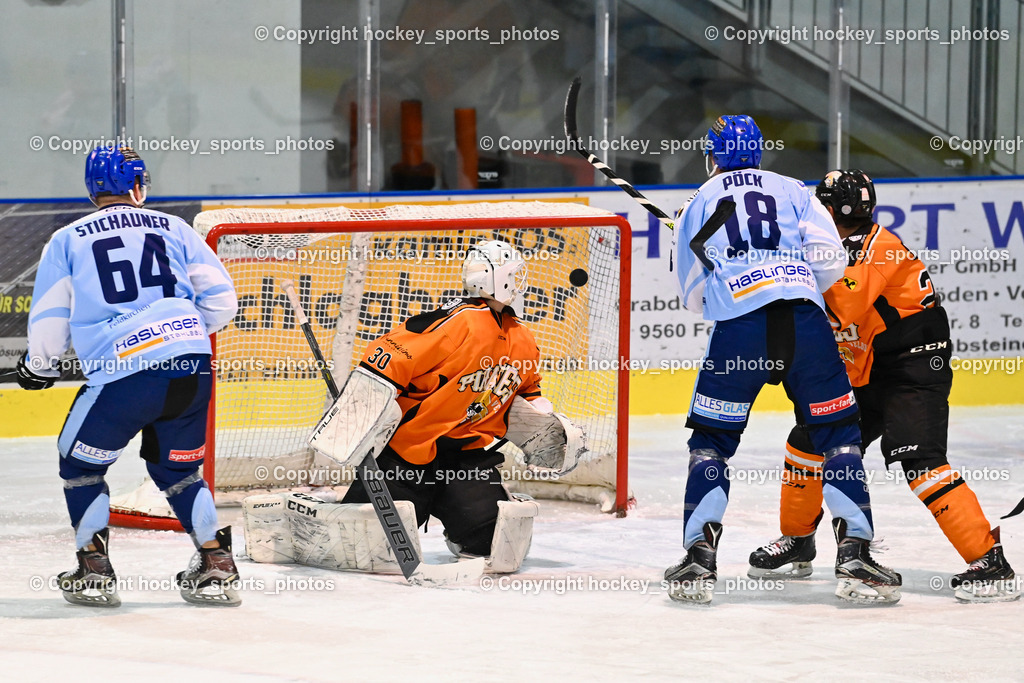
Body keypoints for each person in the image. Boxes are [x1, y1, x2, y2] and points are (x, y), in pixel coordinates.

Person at [747, 169, 1017, 602]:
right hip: (868, 366)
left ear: (830, 209)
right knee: (807, 441)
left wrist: (774, 281)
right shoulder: (831, 245)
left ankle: (990, 561)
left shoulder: (879, 248)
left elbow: (841, 310)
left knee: (921, 459)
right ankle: (798, 540)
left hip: (913, 367)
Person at [665, 116, 901, 604]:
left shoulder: (698, 203)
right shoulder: (794, 189)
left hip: (740, 333)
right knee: (838, 438)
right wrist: (787, 277)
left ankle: (698, 558)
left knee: (711, 443)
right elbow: (830, 260)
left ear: (715, 155)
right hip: (805, 325)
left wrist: (730, 284)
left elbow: (691, 294)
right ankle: (856, 553)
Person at [245, 240, 587, 575]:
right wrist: (357, 416)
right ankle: (295, 515)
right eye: (515, 272)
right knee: (364, 545)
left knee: (492, 541)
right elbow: (383, 360)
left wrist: (548, 426)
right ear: (501, 278)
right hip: (407, 456)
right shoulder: (457, 323)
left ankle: (461, 515)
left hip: (466, 460)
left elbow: (528, 395)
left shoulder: (523, 338)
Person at [17, 146, 240, 607]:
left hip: (124, 374)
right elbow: (222, 301)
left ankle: (93, 572)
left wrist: (38, 367)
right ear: (139, 186)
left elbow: (50, 316)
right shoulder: (174, 226)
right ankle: (217, 565)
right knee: (179, 470)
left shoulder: (67, 238)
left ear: (92, 188)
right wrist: (179, 331)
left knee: (79, 465)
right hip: (191, 367)